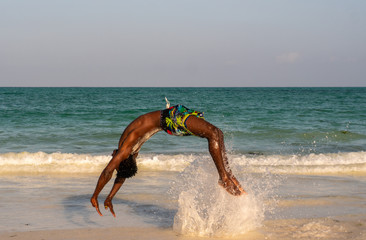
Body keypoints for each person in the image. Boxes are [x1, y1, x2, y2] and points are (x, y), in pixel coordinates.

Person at [91, 104, 246, 217]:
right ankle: (224, 178)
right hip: (170, 118)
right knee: (213, 134)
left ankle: (227, 174)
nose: (112, 156)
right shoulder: (126, 149)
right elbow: (108, 171)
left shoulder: (129, 151)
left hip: (170, 117)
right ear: (123, 159)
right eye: (115, 159)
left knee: (217, 134)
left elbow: (121, 174)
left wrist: (110, 197)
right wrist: (95, 195)